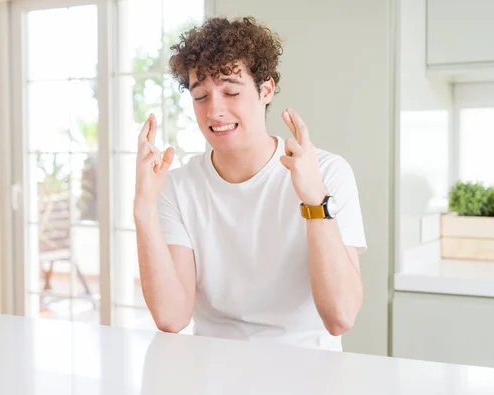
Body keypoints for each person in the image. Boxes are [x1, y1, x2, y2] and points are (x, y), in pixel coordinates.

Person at [133, 16, 367, 352]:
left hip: (307, 370)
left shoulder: (327, 173)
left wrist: (314, 199)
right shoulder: (178, 187)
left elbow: (341, 317)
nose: (215, 110)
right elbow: (171, 318)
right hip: (212, 369)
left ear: (265, 90)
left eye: (230, 91)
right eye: (201, 96)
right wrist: (144, 208)